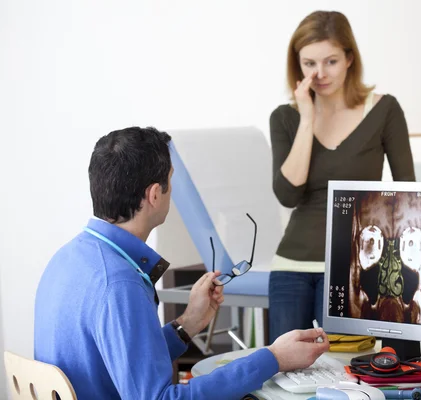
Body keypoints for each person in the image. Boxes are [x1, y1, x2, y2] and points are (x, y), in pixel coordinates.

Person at [34, 127, 330, 399]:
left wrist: (187, 324)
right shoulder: (120, 283)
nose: (171, 191)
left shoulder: (67, 260)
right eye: (170, 181)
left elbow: (125, 359)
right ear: (153, 194)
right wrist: (274, 358)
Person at [268, 10, 416, 343]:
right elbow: (288, 195)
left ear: (349, 58)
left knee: (344, 374)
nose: (319, 73)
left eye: (330, 61)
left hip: (354, 266)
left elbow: (409, 195)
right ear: (298, 66)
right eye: (309, 64)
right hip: (292, 264)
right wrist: (307, 119)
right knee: (283, 375)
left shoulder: (383, 110)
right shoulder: (285, 118)